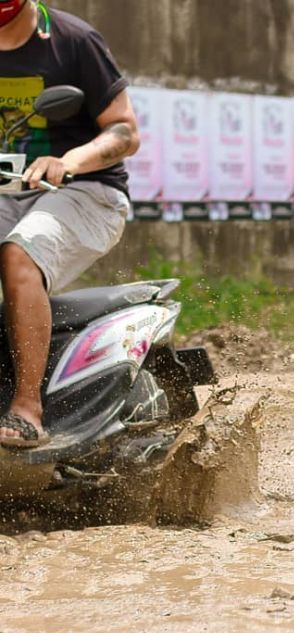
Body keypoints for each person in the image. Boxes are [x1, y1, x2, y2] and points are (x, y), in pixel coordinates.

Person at [0, 0, 139, 447]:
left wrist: (70, 161)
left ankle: (27, 409)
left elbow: (125, 130)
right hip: (7, 191)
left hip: (86, 191)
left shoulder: (74, 41)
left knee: (19, 252)